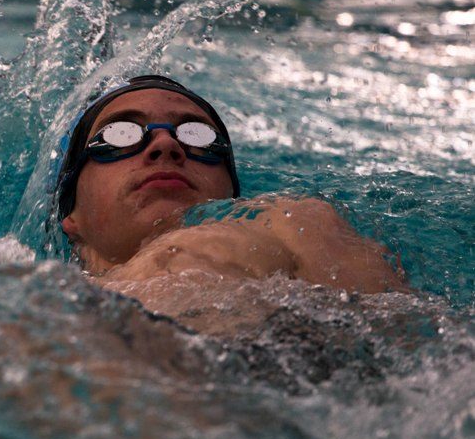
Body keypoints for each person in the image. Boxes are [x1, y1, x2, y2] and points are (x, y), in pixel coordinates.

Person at [54, 75, 407, 333]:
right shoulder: (45, 307)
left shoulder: (297, 225)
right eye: (120, 134)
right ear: (72, 215)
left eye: (196, 134)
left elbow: (403, 340)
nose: (165, 144)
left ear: (230, 193)